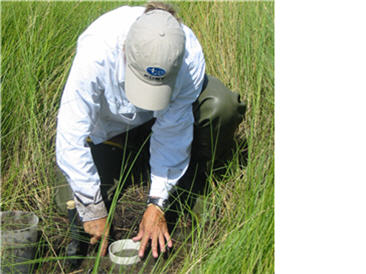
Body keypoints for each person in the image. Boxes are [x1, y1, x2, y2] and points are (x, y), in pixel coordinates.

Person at [55, 2, 245, 262]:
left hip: (160, 123)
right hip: (111, 130)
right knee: (72, 206)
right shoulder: (96, 51)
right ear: (124, 51)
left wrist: (156, 203)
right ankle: (126, 158)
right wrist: (93, 209)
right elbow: (70, 134)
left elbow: (173, 132)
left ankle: (193, 180)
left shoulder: (188, 57)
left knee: (221, 106)